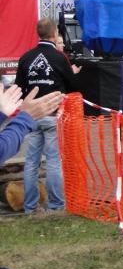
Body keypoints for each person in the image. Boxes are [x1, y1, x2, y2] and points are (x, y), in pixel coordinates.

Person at [14, 18, 81, 214]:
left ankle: (30, 207)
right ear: (54, 34)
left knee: (31, 162)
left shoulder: (26, 57)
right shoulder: (59, 57)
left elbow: (19, 87)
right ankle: (56, 206)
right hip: (53, 115)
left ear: (39, 33)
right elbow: (73, 86)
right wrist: (72, 74)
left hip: (32, 116)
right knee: (53, 161)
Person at [0, 85, 64, 165]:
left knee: (32, 155)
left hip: (39, 116)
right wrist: (26, 117)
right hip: (49, 116)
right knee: (52, 156)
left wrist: (2, 114)